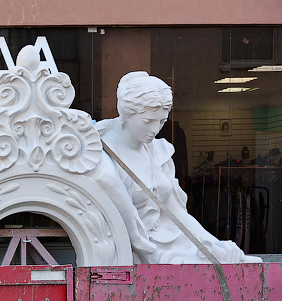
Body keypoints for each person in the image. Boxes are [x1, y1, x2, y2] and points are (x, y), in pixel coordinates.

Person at [96, 71, 260, 264]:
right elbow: (130, 232)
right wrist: (159, 255)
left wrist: (210, 244)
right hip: (132, 247)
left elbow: (177, 213)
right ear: (126, 113)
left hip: (170, 237)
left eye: (162, 121)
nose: (155, 130)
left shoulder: (159, 151)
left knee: (226, 255)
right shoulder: (101, 151)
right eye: (148, 121)